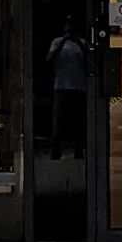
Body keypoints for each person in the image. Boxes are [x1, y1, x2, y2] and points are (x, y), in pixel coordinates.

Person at [47, 22, 89, 159]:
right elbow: (49, 59)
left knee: (79, 121)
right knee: (58, 120)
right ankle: (56, 150)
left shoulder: (81, 42)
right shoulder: (57, 42)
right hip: (61, 85)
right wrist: (64, 40)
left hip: (78, 86)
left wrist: (79, 43)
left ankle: (78, 149)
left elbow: (90, 59)